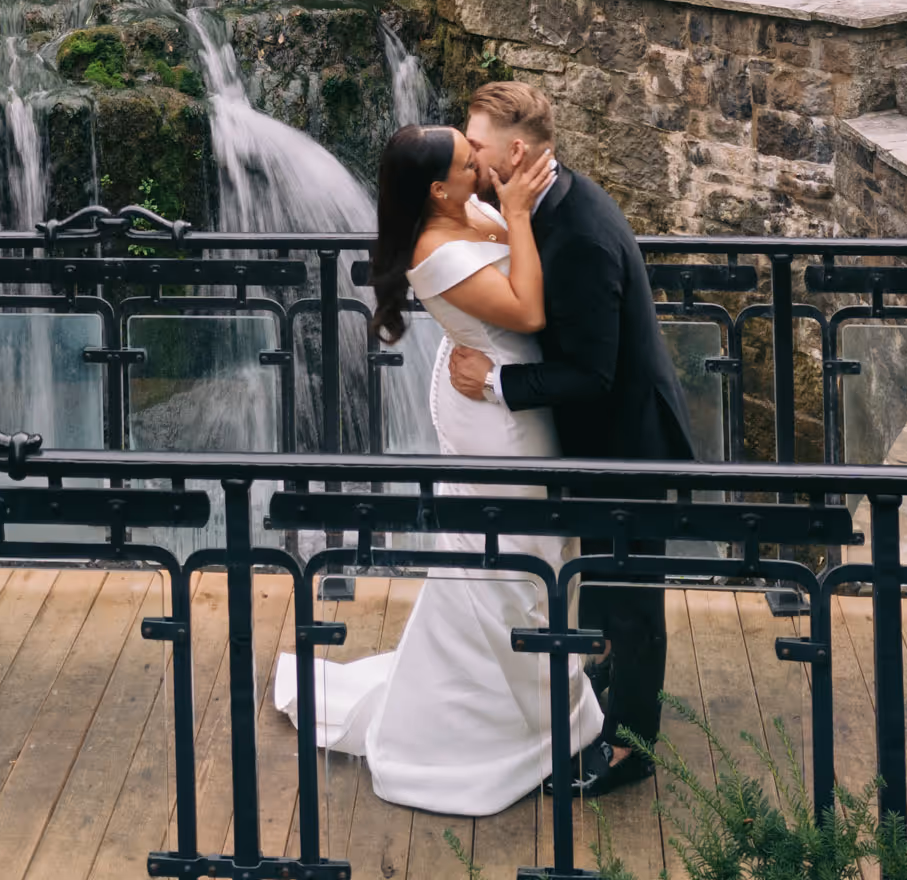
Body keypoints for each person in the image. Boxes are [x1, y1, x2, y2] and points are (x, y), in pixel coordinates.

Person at [272, 121, 604, 814]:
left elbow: (519, 247)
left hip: (500, 395)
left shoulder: (465, 211)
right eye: (465, 160)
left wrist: (510, 207)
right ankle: (507, 728)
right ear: (437, 188)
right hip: (497, 423)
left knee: (519, 556)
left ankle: (531, 700)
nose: (477, 163)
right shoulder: (436, 247)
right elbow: (529, 308)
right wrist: (514, 214)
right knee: (508, 563)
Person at [451, 80, 696, 799]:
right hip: (598, 442)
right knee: (605, 587)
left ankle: (632, 748)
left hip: (628, 443)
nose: (470, 156)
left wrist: (496, 385)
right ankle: (601, 699)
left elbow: (591, 373)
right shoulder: (540, 202)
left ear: (516, 151)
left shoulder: (582, 233)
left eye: (476, 145)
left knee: (631, 599)